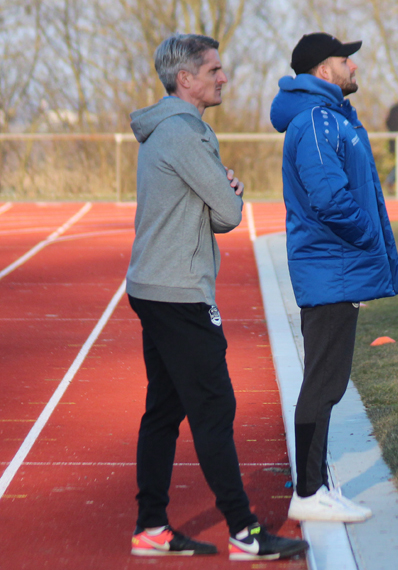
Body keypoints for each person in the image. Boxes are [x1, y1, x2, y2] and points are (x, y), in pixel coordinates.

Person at [126, 33, 308, 561]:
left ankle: (151, 527)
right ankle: (244, 532)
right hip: (178, 293)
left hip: (152, 286)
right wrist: (229, 191)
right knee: (214, 407)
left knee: (164, 409)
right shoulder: (188, 134)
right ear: (186, 79)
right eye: (214, 70)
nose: (223, 77)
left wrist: (217, 191)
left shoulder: (161, 129)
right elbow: (227, 215)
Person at [270, 32, 398, 522]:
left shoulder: (331, 116)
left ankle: (316, 487)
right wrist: (368, 235)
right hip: (331, 266)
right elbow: (329, 197)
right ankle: (308, 494)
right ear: (324, 70)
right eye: (346, 60)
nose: (354, 67)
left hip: (337, 267)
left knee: (329, 381)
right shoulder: (315, 120)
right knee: (324, 383)